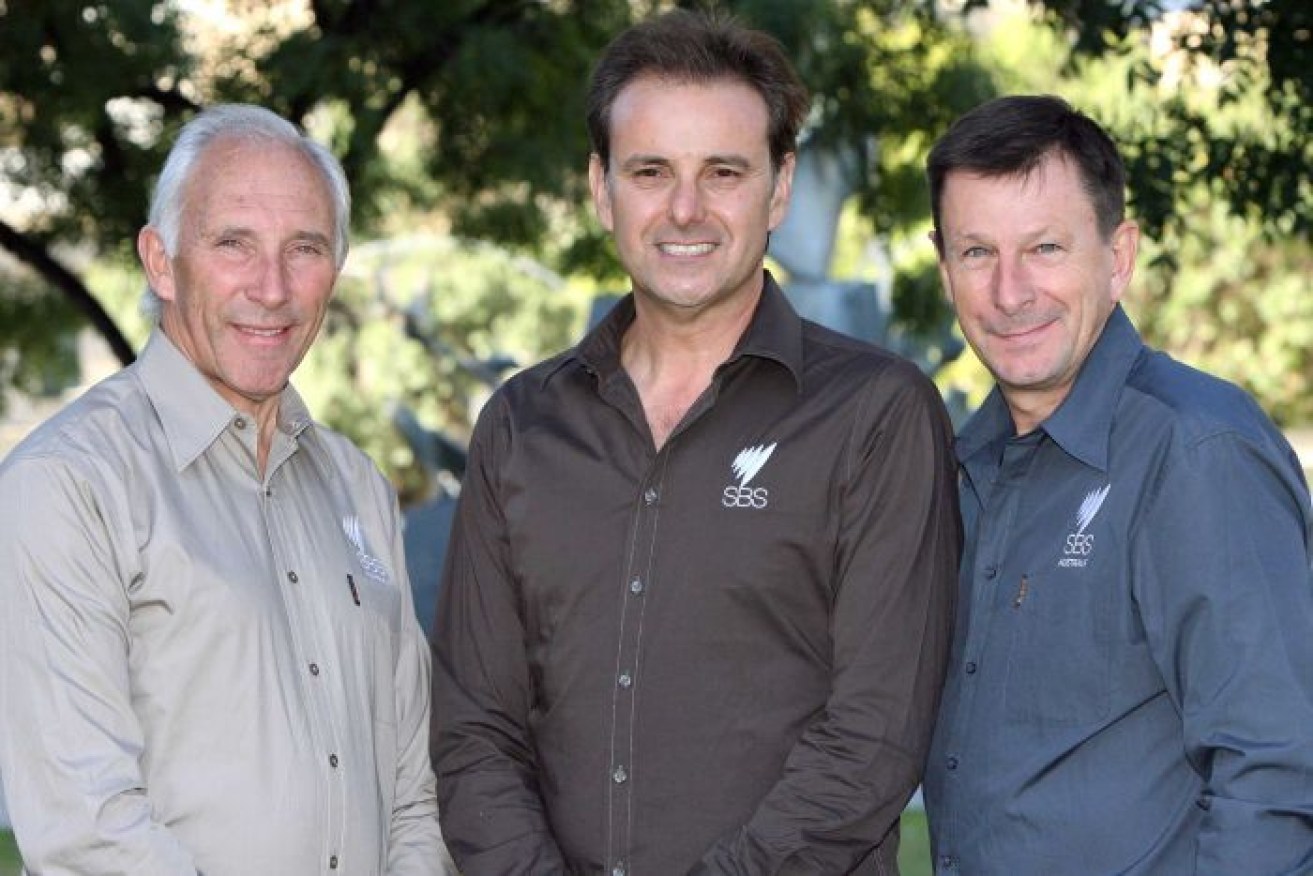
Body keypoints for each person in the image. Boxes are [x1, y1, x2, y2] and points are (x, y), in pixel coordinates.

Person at [430, 9, 960, 874]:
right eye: (650, 171)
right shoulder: (522, 427)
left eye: (722, 171)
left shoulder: (875, 414)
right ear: (600, 188)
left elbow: (872, 737)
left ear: (778, 188)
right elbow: (474, 728)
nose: (685, 209)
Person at [0, 104, 452, 874]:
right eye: (233, 244)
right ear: (161, 261)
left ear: (332, 271)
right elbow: (87, 830)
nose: (271, 288)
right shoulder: (68, 484)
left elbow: (412, 789)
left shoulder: (358, 488)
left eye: (303, 249)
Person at [922, 94, 1313, 874]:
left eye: (1043, 248)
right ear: (944, 269)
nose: (1009, 292)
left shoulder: (1194, 453)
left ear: (1118, 257)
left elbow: (1273, 776)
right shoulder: (967, 467)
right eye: (976, 253)